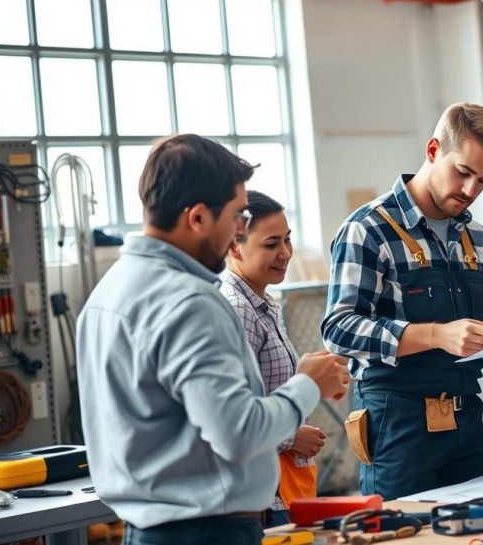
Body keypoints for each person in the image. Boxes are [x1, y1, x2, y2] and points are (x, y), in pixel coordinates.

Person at [76, 135, 349, 545]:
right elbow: (239, 434)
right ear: (199, 218)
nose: (241, 229)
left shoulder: (106, 294)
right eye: (238, 215)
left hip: (150, 529)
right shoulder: (189, 302)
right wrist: (307, 385)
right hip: (206, 530)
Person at [321, 103, 483, 501]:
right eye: (463, 172)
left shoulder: (476, 238)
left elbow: (482, 322)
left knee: (470, 531)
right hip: (398, 423)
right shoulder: (368, 229)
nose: (470, 191)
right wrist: (435, 335)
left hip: (466, 416)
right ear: (433, 150)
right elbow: (338, 329)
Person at [220, 190, 324, 528]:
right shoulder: (238, 310)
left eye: (288, 240)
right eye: (271, 244)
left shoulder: (261, 303)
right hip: (264, 493)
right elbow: (235, 417)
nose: (285, 253)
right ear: (235, 245)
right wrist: (292, 436)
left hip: (283, 485)